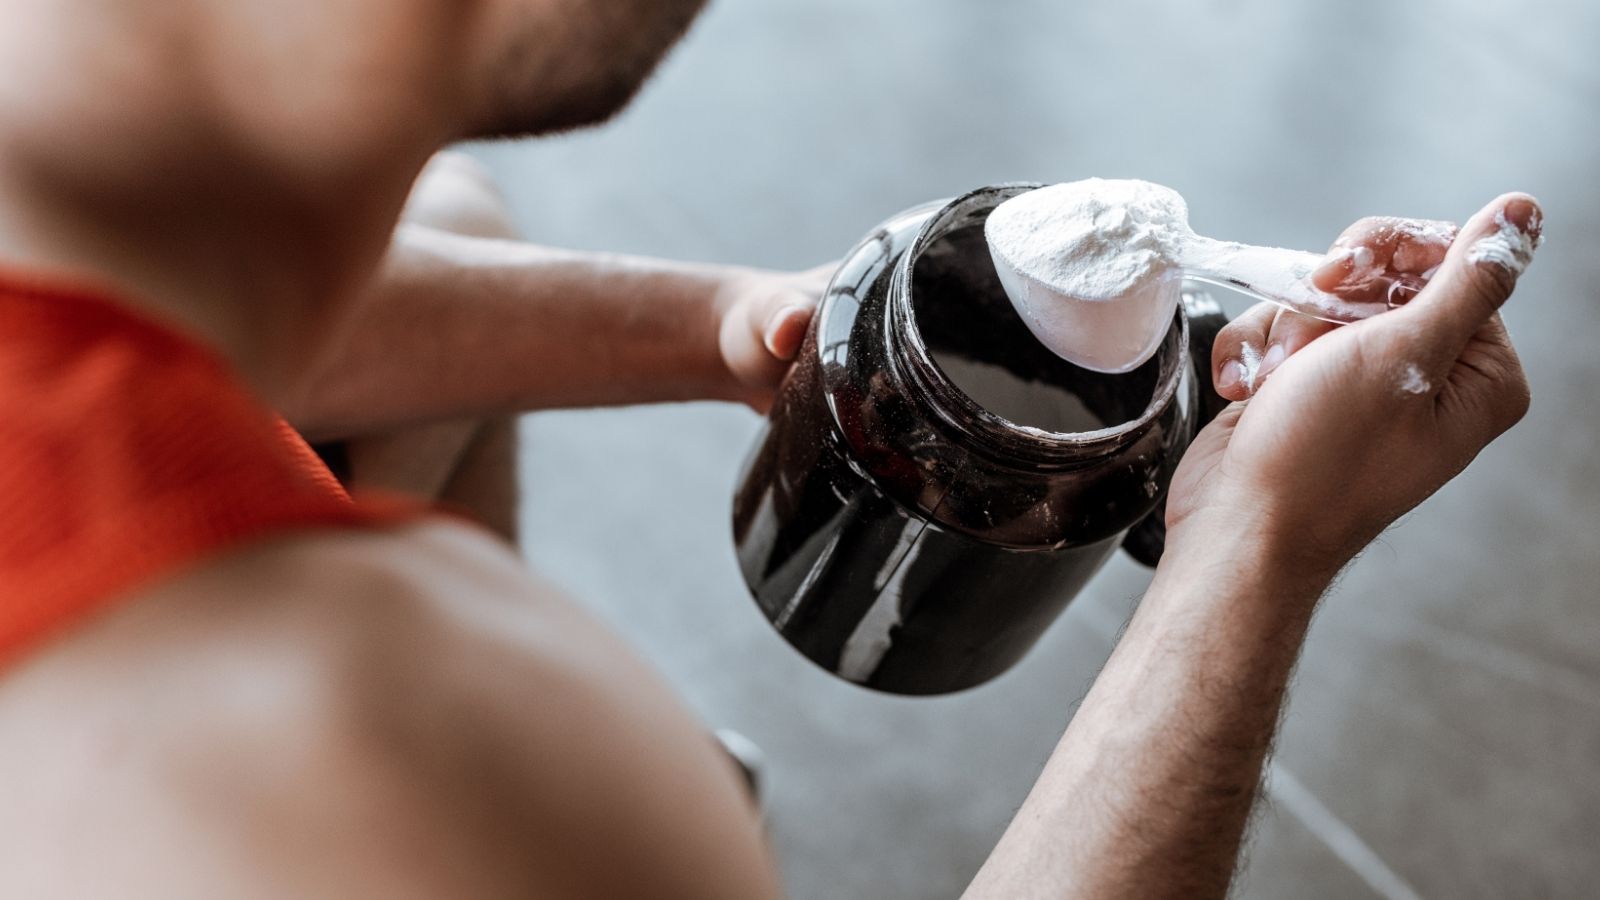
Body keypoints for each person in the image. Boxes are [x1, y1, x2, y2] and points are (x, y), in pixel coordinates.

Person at [0, 1, 1538, 897]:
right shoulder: (407, 751)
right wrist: (1255, 550)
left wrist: (730, 318)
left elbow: (208, 333)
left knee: (455, 218)